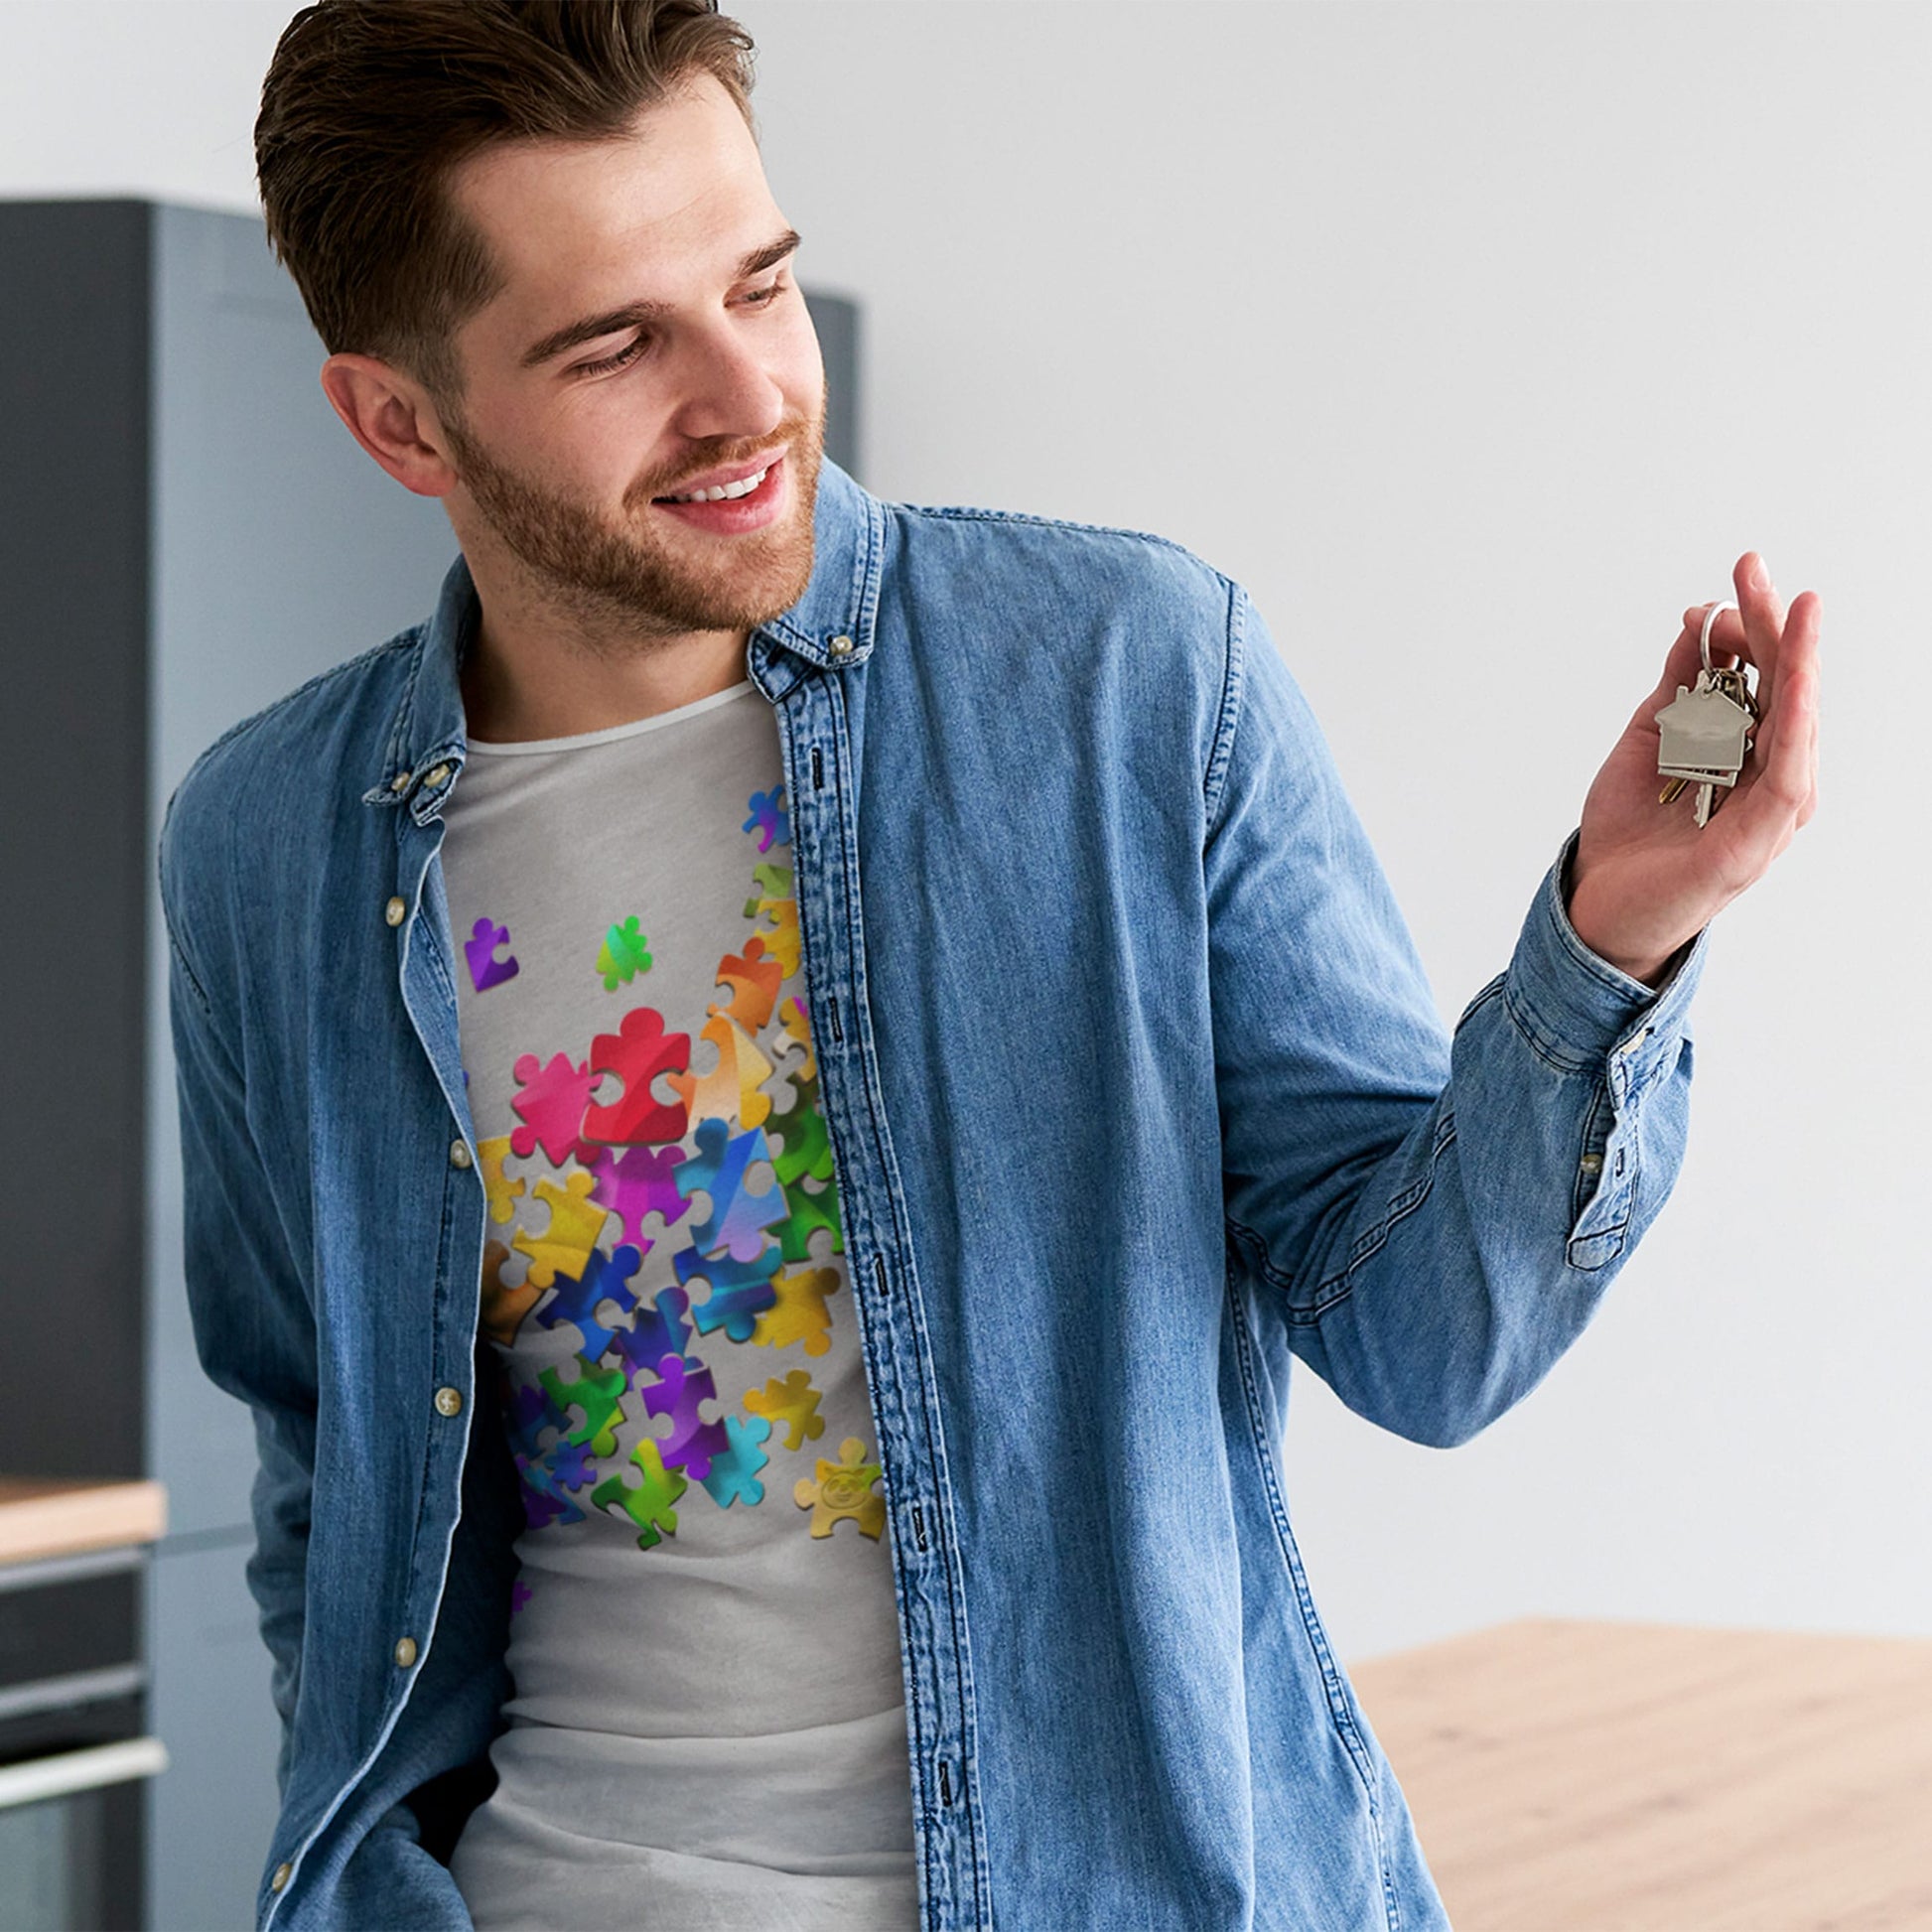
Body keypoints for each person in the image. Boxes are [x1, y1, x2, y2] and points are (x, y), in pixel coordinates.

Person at [159, 3, 1821, 1928]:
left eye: (758, 284)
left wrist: (1616, 937)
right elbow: (327, 1466)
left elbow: (1431, 1336)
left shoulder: (1122, 677)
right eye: (616, 344)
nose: (745, 396)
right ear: (399, 421)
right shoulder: (270, 841)